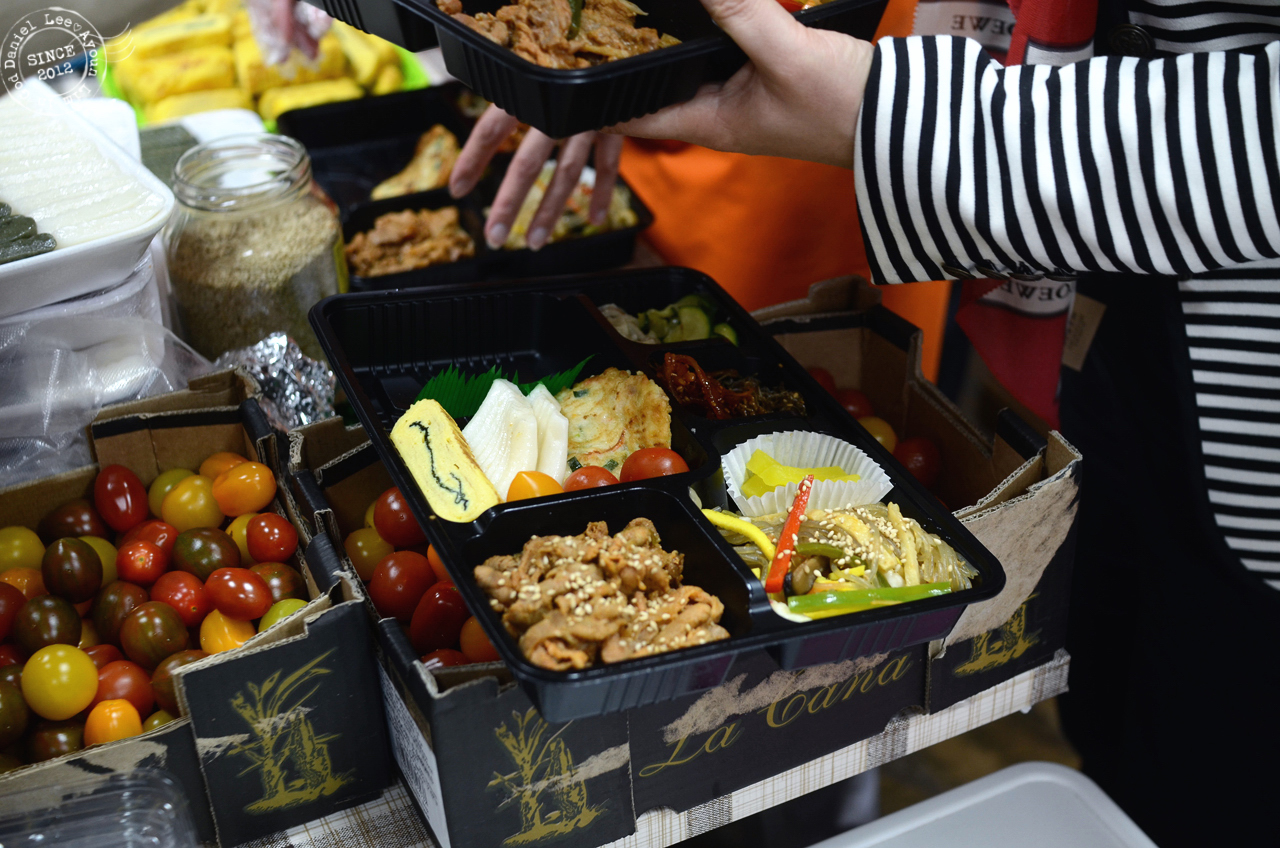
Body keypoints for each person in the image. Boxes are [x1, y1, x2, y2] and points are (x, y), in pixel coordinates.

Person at [455, 0, 1280, 845]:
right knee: (1117, 723)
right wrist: (635, 51)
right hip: (1106, 284)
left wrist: (889, 115)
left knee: (1212, 768)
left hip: (1246, 395)